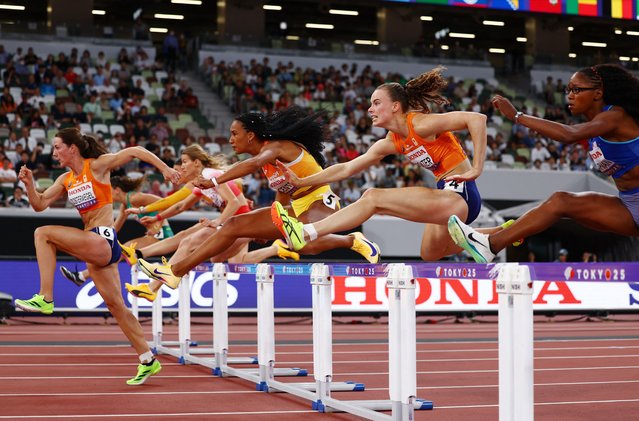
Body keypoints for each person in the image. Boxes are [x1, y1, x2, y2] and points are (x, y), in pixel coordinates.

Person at [269, 67, 501, 261]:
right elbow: (346, 168)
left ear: (395, 107)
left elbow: (476, 119)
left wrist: (477, 168)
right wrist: (301, 181)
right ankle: (500, 233)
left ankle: (306, 232)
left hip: (461, 196)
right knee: (430, 253)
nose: (370, 109)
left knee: (373, 197)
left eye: (376, 103)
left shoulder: (419, 124)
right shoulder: (392, 142)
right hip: (447, 197)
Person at [135, 106, 381, 287]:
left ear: (250, 135)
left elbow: (252, 164)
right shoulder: (267, 163)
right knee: (232, 226)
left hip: (320, 200)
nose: (230, 139)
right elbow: (283, 191)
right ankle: (174, 271)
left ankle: (352, 240)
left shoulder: (276, 147)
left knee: (304, 244)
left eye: (235, 134)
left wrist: (214, 180)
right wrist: (274, 217)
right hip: (295, 206)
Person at [14, 127, 180, 385]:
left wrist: (165, 169)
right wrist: (29, 185)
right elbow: (39, 205)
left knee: (43, 233)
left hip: (103, 238)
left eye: (58, 147)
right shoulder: (65, 180)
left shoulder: (98, 166)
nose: (54, 152)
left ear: (73, 148)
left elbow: (135, 151)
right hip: (96, 247)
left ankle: (45, 297)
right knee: (116, 306)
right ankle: (148, 359)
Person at [448, 64, 639, 263]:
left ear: (598, 93)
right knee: (561, 201)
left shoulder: (615, 117)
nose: (570, 96)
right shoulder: (597, 127)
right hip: (628, 203)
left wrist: (517, 116)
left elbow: (569, 134)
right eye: (568, 90)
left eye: (576, 89)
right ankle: (490, 245)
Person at [121, 144, 298, 302]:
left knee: (187, 242)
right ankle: (142, 257)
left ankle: (153, 283)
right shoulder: (201, 183)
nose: (181, 168)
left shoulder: (209, 174)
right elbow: (180, 205)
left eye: (184, 162)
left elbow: (235, 203)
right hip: (237, 223)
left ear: (197, 163)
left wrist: (218, 222)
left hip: (238, 222)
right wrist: (155, 217)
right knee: (215, 256)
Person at [58, 175, 176, 286]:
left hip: (162, 236)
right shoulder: (125, 205)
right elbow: (115, 227)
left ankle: (82, 276)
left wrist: (156, 225)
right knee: (115, 253)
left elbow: (165, 203)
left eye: (108, 190)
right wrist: (98, 241)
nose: (106, 194)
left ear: (117, 190)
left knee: (125, 249)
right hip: (153, 237)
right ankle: (82, 276)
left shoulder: (135, 198)